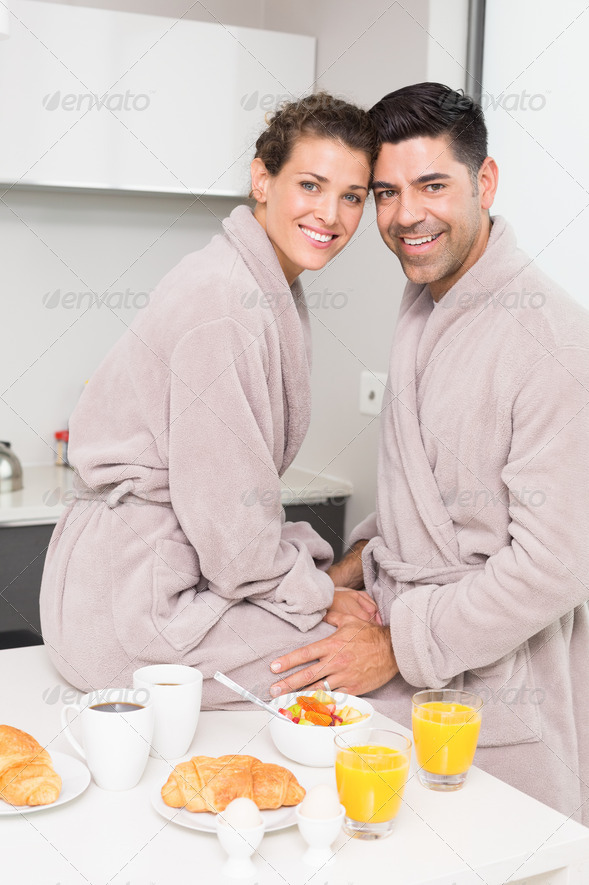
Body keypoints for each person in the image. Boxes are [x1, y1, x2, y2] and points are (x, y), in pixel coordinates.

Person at [268, 82, 589, 824]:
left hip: (496, 695)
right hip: (402, 669)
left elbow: (556, 566)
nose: (406, 214)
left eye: (432, 185)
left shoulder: (553, 341)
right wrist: (330, 576)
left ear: (485, 182)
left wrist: (397, 647)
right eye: (385, 192)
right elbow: (426, 505)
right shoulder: (427, 306)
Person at [39, 93, 379, 706]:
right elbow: (230, 530)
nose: (330, 214)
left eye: (352, 196)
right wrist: (322, 596)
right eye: (311, 184)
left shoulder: (254, 282)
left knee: (345, 641)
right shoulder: (226, 300)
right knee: (352, 659)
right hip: (132, 613)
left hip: (120, 591)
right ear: (262, 180)